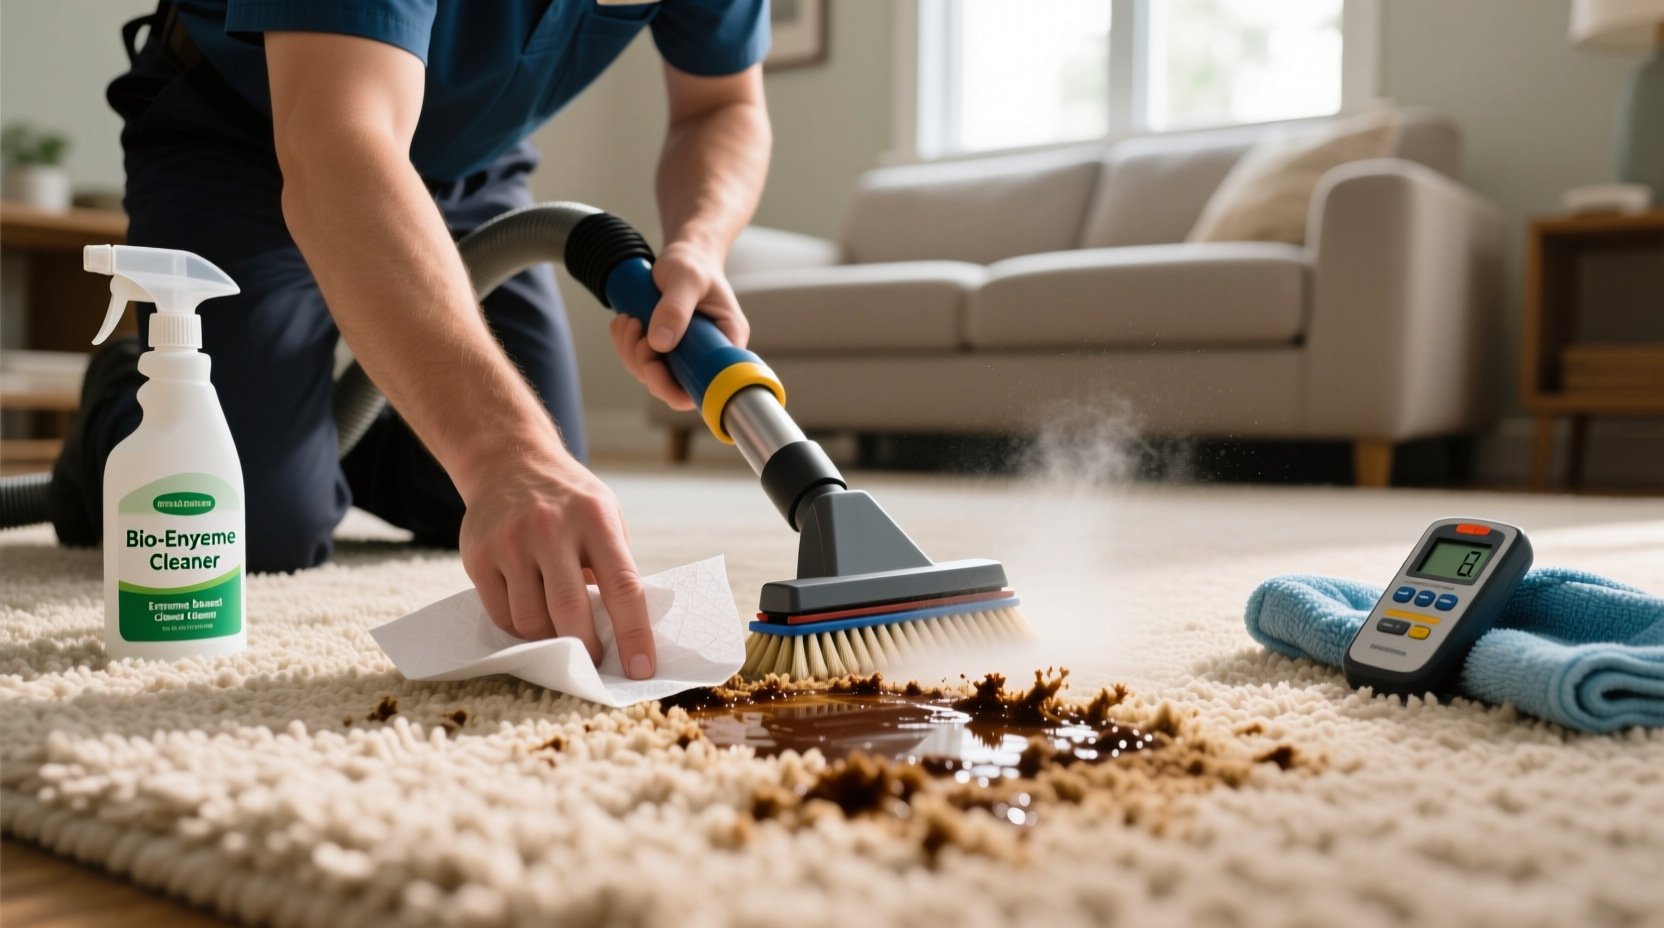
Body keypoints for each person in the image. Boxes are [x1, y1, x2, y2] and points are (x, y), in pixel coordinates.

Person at [52, 0, 772, 681]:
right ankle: (146, 399)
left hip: (467, 173)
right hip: (243, 133)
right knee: (252, 530)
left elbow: (724, 104)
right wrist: (503, 451)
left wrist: (700, 242)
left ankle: (292, 432)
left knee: (532, 517)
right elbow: (334, 139)